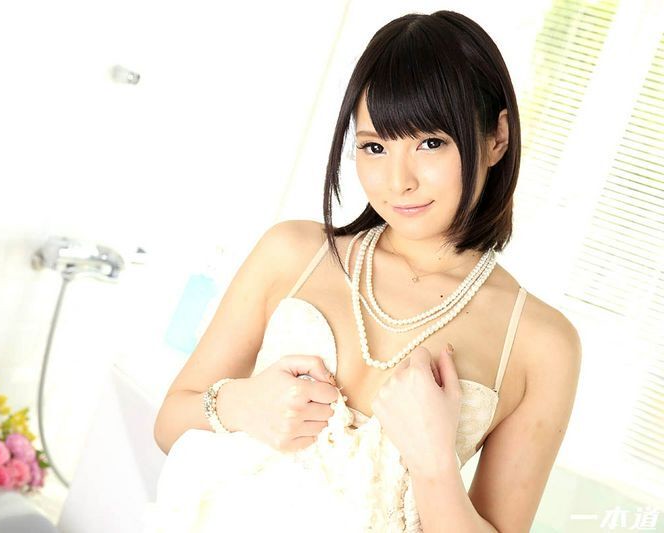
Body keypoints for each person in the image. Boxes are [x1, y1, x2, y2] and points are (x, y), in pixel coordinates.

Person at [147, 9, 581, 533]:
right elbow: (169, 424)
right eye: (374, 147)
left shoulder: (541, 343)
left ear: (497, 138)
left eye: (430, 143)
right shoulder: (292, 252)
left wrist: (435, 467)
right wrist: (243, 403)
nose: (398, 181)